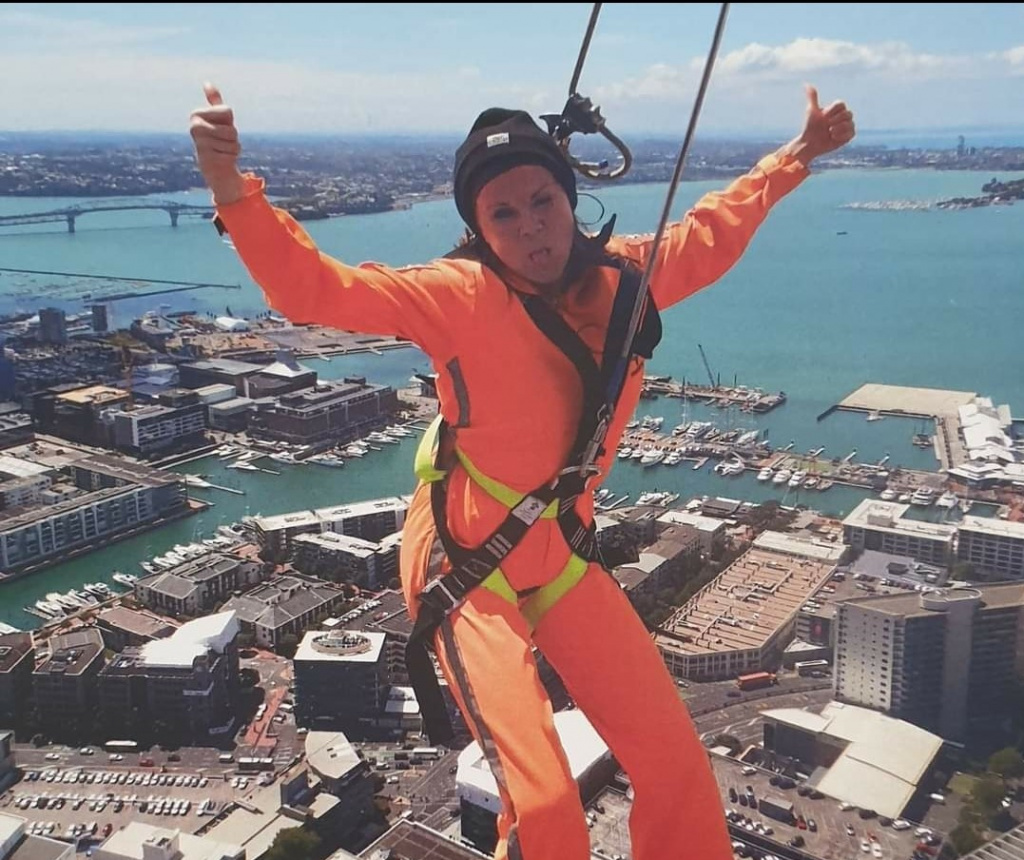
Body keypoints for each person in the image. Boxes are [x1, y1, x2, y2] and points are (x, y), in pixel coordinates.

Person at [191, 82, 854, 860]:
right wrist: (232, 190)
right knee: (542, 802)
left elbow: (712, 232)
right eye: (502, 214)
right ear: (477, 229)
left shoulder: (625, 281)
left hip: (561, 555)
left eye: (542, 200)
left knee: (678, 767)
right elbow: (318, 291)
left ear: (569, 198)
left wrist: (797, 155)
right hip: (466, 566)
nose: (530, 225)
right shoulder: (458, 297)